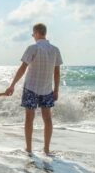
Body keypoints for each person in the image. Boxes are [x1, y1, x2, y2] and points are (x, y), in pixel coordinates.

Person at [5, 23, 63, 155]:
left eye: (33, 34)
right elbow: (57, 73)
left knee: (29, 119)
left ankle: (29, 149)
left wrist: (12, 84)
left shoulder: (33, 48)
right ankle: (46, 149)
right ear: (45, 33)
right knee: (47, 119)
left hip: (31, 88)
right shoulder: (55, 50)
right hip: (47, 89)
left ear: (36, 33)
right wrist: (57, 89)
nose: (33, 37)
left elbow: (22, 68)